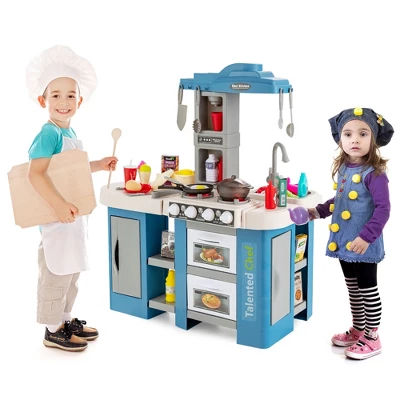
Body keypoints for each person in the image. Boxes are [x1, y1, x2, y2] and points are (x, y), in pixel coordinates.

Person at [26, 45, 118, 352]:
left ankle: (64, 319)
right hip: (57, 219)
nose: (63, 102)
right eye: (55, 95)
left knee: (70, 273)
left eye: (70, 95)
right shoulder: (48, 134)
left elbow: (69, 171)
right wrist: (58, 205)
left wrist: (99, 164)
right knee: (55, 274)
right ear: (43, 100)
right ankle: (52, 330)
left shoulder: (68, 132)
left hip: (72, 218)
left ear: (80, 100)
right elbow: (36, 174)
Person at [309, 107, 394, 360]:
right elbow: (341, 200)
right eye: (348, 134)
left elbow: (383, 209)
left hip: (364, 243)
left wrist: (366, 237)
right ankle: (359, 329)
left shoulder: (375, 174)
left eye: (363, 134)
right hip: (345, 240)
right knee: (353, 288)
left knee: (368, 289)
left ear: (373, 139)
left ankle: (373, 337)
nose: (354, 139)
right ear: (340, 139)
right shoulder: (346, 169)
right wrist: (319, 211)